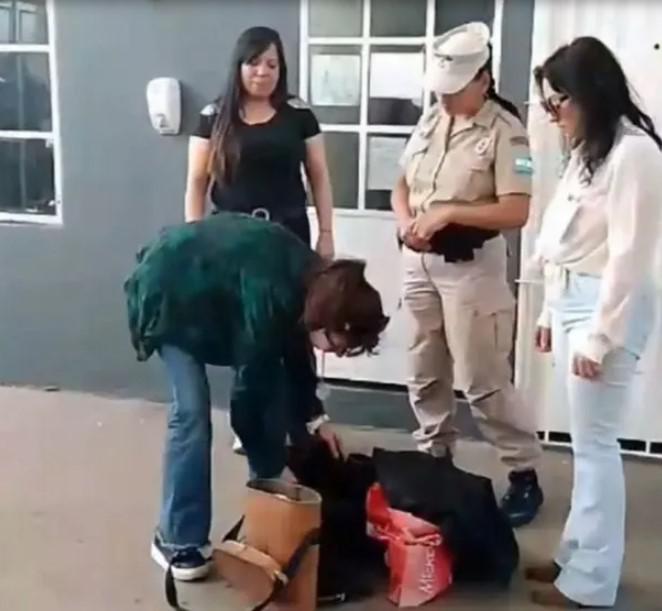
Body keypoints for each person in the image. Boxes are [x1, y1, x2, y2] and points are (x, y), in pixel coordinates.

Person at [124, 212, 388, 582]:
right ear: (330, 320)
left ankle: (267, 511)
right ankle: (177, 539)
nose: (340, 355)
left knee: (268, 388)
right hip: (166, 291)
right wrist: (271, 473)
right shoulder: (273, 296)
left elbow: (296, 354)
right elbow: (248, 399)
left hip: (210, 292)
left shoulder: (314, 285)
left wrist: (314, 420)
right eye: (341, 346)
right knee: (192, 412)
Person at [525, 37, 662, 608]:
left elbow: (629, 255)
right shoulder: (590, 150)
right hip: (572, 298)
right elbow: (563, 235)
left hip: (608, 306)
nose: (552, 114)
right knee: (585, 446)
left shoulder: (636, 154)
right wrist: (547, 310)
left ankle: (591, 584)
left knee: (597, 447)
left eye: (558, 102)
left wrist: (601, 336)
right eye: (547, 103)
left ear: (591, 93)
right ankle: (573, 557)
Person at [391, 22, 543, 527]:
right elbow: (401, 184)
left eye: (454, 89)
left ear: (483, 79)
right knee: (424, 369)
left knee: (482, 379)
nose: (445, 98)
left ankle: (523, 470)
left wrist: (451, 213)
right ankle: (436, 458)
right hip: (420, 263)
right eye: (440, 89)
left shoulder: (507, 132)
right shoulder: (431, 119)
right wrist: (406, 222)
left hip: (471, 269)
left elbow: (516, 211)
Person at [185, 26, 334, 258]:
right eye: (253, 63)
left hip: (289, 235)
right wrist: (193, 238)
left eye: (272, 65)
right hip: (228, 238)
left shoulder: (299, 114)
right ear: (239, 67)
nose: (263, 72)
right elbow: (196, 182)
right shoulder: (213, 116)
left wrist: (326, 233)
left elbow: (319, 175)